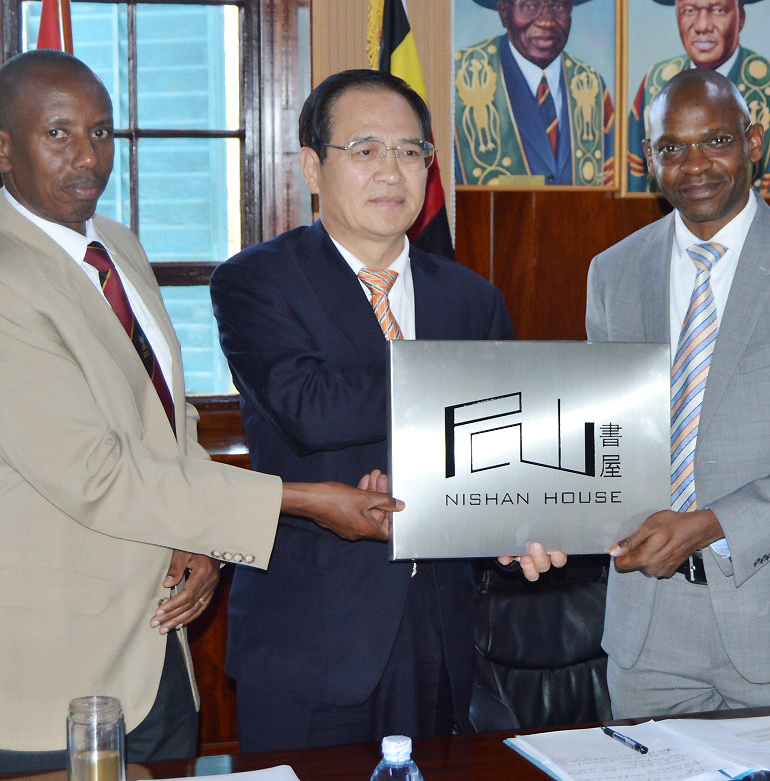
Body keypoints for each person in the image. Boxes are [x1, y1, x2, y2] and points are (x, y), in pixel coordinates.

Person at [0, 51, 400, 776]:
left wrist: (203, 541)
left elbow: (165, 418)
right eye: (58, 135)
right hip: (37, 679)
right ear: (1, 149)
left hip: (155, 654)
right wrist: (304, 500)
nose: (87, 157)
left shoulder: (113, 245)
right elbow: (98, 474)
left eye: (101, 132)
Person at [209, 69, 563, 751]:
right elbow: (311, 409)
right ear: (313, 167)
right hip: (311, 640)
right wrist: (459, 380)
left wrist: (515, 522)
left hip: (439, 629)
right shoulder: (255, 281)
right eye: (365, 149)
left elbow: (499, 448)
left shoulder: (471, 298)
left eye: (411, 151)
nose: (391, 171)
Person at [586, 68, 770, 717]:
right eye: (671, 148)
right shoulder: (612, 273)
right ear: (648, 160)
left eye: (715, 139)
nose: (695, 164)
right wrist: (534, 516)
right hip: (649, 627)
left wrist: (708, 525)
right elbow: (607, 440)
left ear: (753, 141)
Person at [625, 0, 770, 194]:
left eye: (718, 10)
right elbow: (635, 189)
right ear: (677, 16)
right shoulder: (654, 85)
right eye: (690, 10)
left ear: (741, 19)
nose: (702, 26)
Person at [454, 0, 614, 186]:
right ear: (504, 13)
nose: (546, 21)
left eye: (559, 6)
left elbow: (610, 185)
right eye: (530, 6)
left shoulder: (590, 85)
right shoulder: (460, 79)